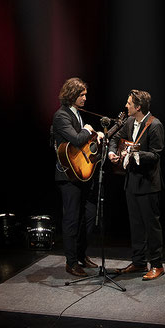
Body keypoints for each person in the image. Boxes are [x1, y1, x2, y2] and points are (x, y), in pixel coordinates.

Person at [108, 89, 165, 280]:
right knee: (136, 225)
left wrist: (134, 154)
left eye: (129, 103)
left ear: (138, 107)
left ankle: (157, 264)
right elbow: (114, 137)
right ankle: (139, 262)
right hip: (131, 182)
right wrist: (111, 152)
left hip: (148, 184)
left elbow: (156, 155)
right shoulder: (130, 122)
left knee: (151, 226)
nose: (126, 105)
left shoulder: (154, 125)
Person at [52, 77, 104, 277]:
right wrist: (87, 130)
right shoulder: (61, 116)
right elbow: (75, 139)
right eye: (82, 95)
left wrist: (95, 136)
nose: (85, 98)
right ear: (72, 95)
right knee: (72, 219)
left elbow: (82, 144)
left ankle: (82, 254)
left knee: (89, 215)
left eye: (85, 94)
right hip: (68, 176)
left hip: (83, 174)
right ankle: (71, 262)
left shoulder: (77, 113)